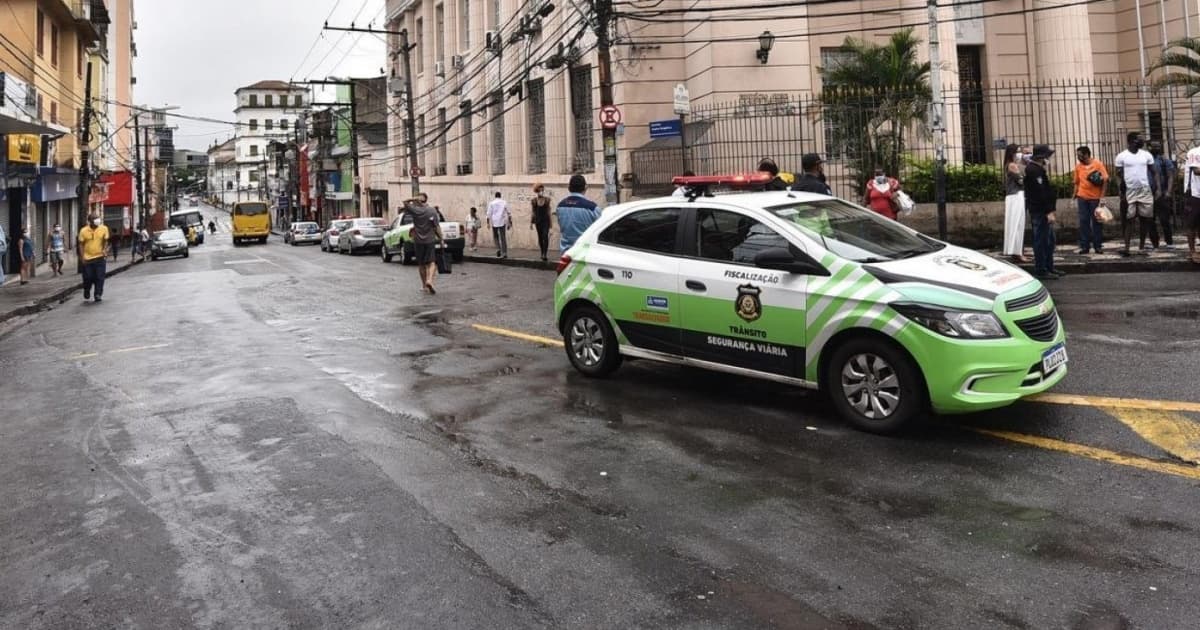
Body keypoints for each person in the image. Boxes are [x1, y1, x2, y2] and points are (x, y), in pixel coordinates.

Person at [1024, 144, 1063, 279]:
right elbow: (1040, 193)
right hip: (1040, 211)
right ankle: (1041, 269)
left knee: (1049, 240)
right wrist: (1048, 212)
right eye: (1047, 156)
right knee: (1041, 240)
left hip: (1043, 210)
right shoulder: (1034, 171)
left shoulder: (1038, 169)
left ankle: (1049, 266)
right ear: (1041, 157)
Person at [1115, 132, 1157, 257]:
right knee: (1129, 219)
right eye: (1140, 139)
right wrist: (1120, 190)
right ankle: (1127, 248)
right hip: (1129, 191)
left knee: (1145, 219)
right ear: (1132, 141)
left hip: (1144, 190)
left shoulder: (1146, 155)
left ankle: (1141, 247)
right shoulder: (1122, 156)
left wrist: (1157, 187)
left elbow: (1154, 172)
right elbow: (1118, 175)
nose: (1142, 141)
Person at [1073, 146, 1109, 255]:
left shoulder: (1098, 164)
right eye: (1078, 155)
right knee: (1083, 221)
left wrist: (1102, 197)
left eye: (1080, 155)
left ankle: (1098, 246)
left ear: (1087, 154)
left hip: (1095, 198)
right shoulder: (1078, 167)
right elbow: (1076, 183)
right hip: (1082, 197)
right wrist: (1073, 196)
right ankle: (1085, 246)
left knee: (1097, 222)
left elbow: (1105, 180)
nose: (1078, 157)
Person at [404, 197, 443, 294]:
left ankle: (424, 285)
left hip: (418, 241)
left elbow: (404, 202)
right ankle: (429, 280)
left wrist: (412, 198)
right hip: (430, 240)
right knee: (432, 262)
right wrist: (441, 239)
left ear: (418, 201)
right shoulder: (432, 210)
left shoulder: (415, 210)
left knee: (421, 264)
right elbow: (436, 226)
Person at [556, 174, 603, 252]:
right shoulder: (593, 208)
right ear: (585, 187)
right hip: (585, 252)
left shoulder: (560, 206)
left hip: (566, 252)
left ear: (569, 188)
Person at [1148, 140, 1176, 250]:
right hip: (1148, 194)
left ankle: (1169, 242)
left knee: (1164, 220)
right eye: (1154, 146)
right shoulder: (1145, 160)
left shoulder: (1164, 160)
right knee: (1150, 220)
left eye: (1158, 146)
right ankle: (1155, 243)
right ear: (1149, 147)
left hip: (1162, 194)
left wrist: (1168, 191)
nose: (1157, 148)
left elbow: (1170, 176)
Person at [1002, 144, 1028, 262]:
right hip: (1016, 196)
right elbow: (1021, 181)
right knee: (1018, 224)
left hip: (1013, 196)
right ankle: (1018, 252)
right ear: (1012, 153)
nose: (1020, 154)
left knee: (1014, 224)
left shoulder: (1009, 165)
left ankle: (1015, 251)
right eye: (1017, 151)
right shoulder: (1012, 165)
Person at [78, 214, 110, 302]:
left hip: (100, 257)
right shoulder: (83, 231)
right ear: (90, 221)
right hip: (88, 258)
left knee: (100, 277)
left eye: (97, 218)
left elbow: (105, 241)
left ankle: (98, 294)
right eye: (94, 219)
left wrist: (105, 250)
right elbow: (80, 244)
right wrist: (82, 257)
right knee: (88, 277)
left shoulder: (104, 228)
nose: (97, 220)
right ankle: (87, 289)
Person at [1184, 144, 1200, 264]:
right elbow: (1196, 171)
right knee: (1192, 224)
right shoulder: (1195, 152)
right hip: (1195, 194)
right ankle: (1192, 250)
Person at [531, 184, 553, 261]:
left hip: (545, 221)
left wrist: (551, 224)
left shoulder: (547, 200)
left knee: (545, 236)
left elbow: (549, 212)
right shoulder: (534, 201)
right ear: (537, 191)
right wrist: (531, 222)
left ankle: (545, 254)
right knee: (540, 237)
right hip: (538, 221)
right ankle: (542, 252)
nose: (541, 192)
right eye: (540, 190)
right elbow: (533, 212)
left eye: (542, 190)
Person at [486, 191, 510, 258]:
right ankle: (504, 253)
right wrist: (510, 222)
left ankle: (498, 249)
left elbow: (488, 214)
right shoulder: (504, 202)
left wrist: (488, 223)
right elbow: (509, 213)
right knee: (503, 237)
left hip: (494, 222)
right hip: (502, 221)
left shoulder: (491, 203)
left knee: (495, 236)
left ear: (495, 196)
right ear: (500, 196)